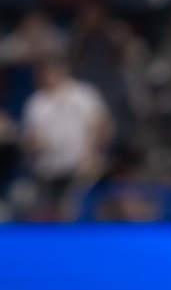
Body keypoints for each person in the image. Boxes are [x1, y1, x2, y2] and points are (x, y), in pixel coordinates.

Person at [22, 58, 111, 220]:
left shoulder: (83, 94)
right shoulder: (36, 102)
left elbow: (102, 126)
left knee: (72, 208)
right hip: (48, 168)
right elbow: (30, 138)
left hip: (79, 166)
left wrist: (93, 155)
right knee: (42, 213)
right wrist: (33, 143)